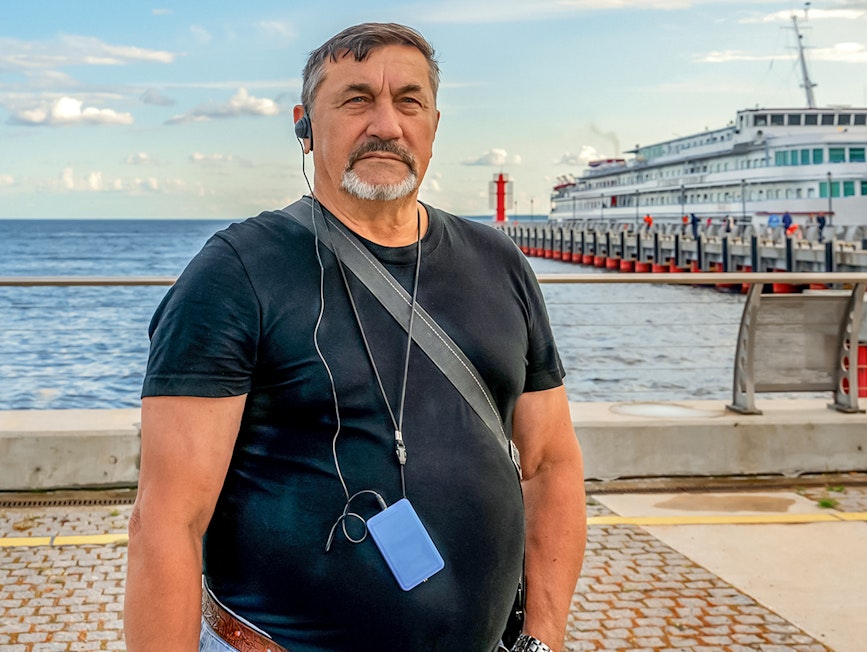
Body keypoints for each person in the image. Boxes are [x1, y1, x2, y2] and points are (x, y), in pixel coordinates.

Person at [124, 22, 586, 652]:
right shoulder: (236, 273)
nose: (387, 124)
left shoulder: (499, 262)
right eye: (356, 98)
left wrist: (543, 638)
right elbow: (167, 522)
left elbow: (551, 463)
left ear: (433, 124)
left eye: (409, 101)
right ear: (305, 126)